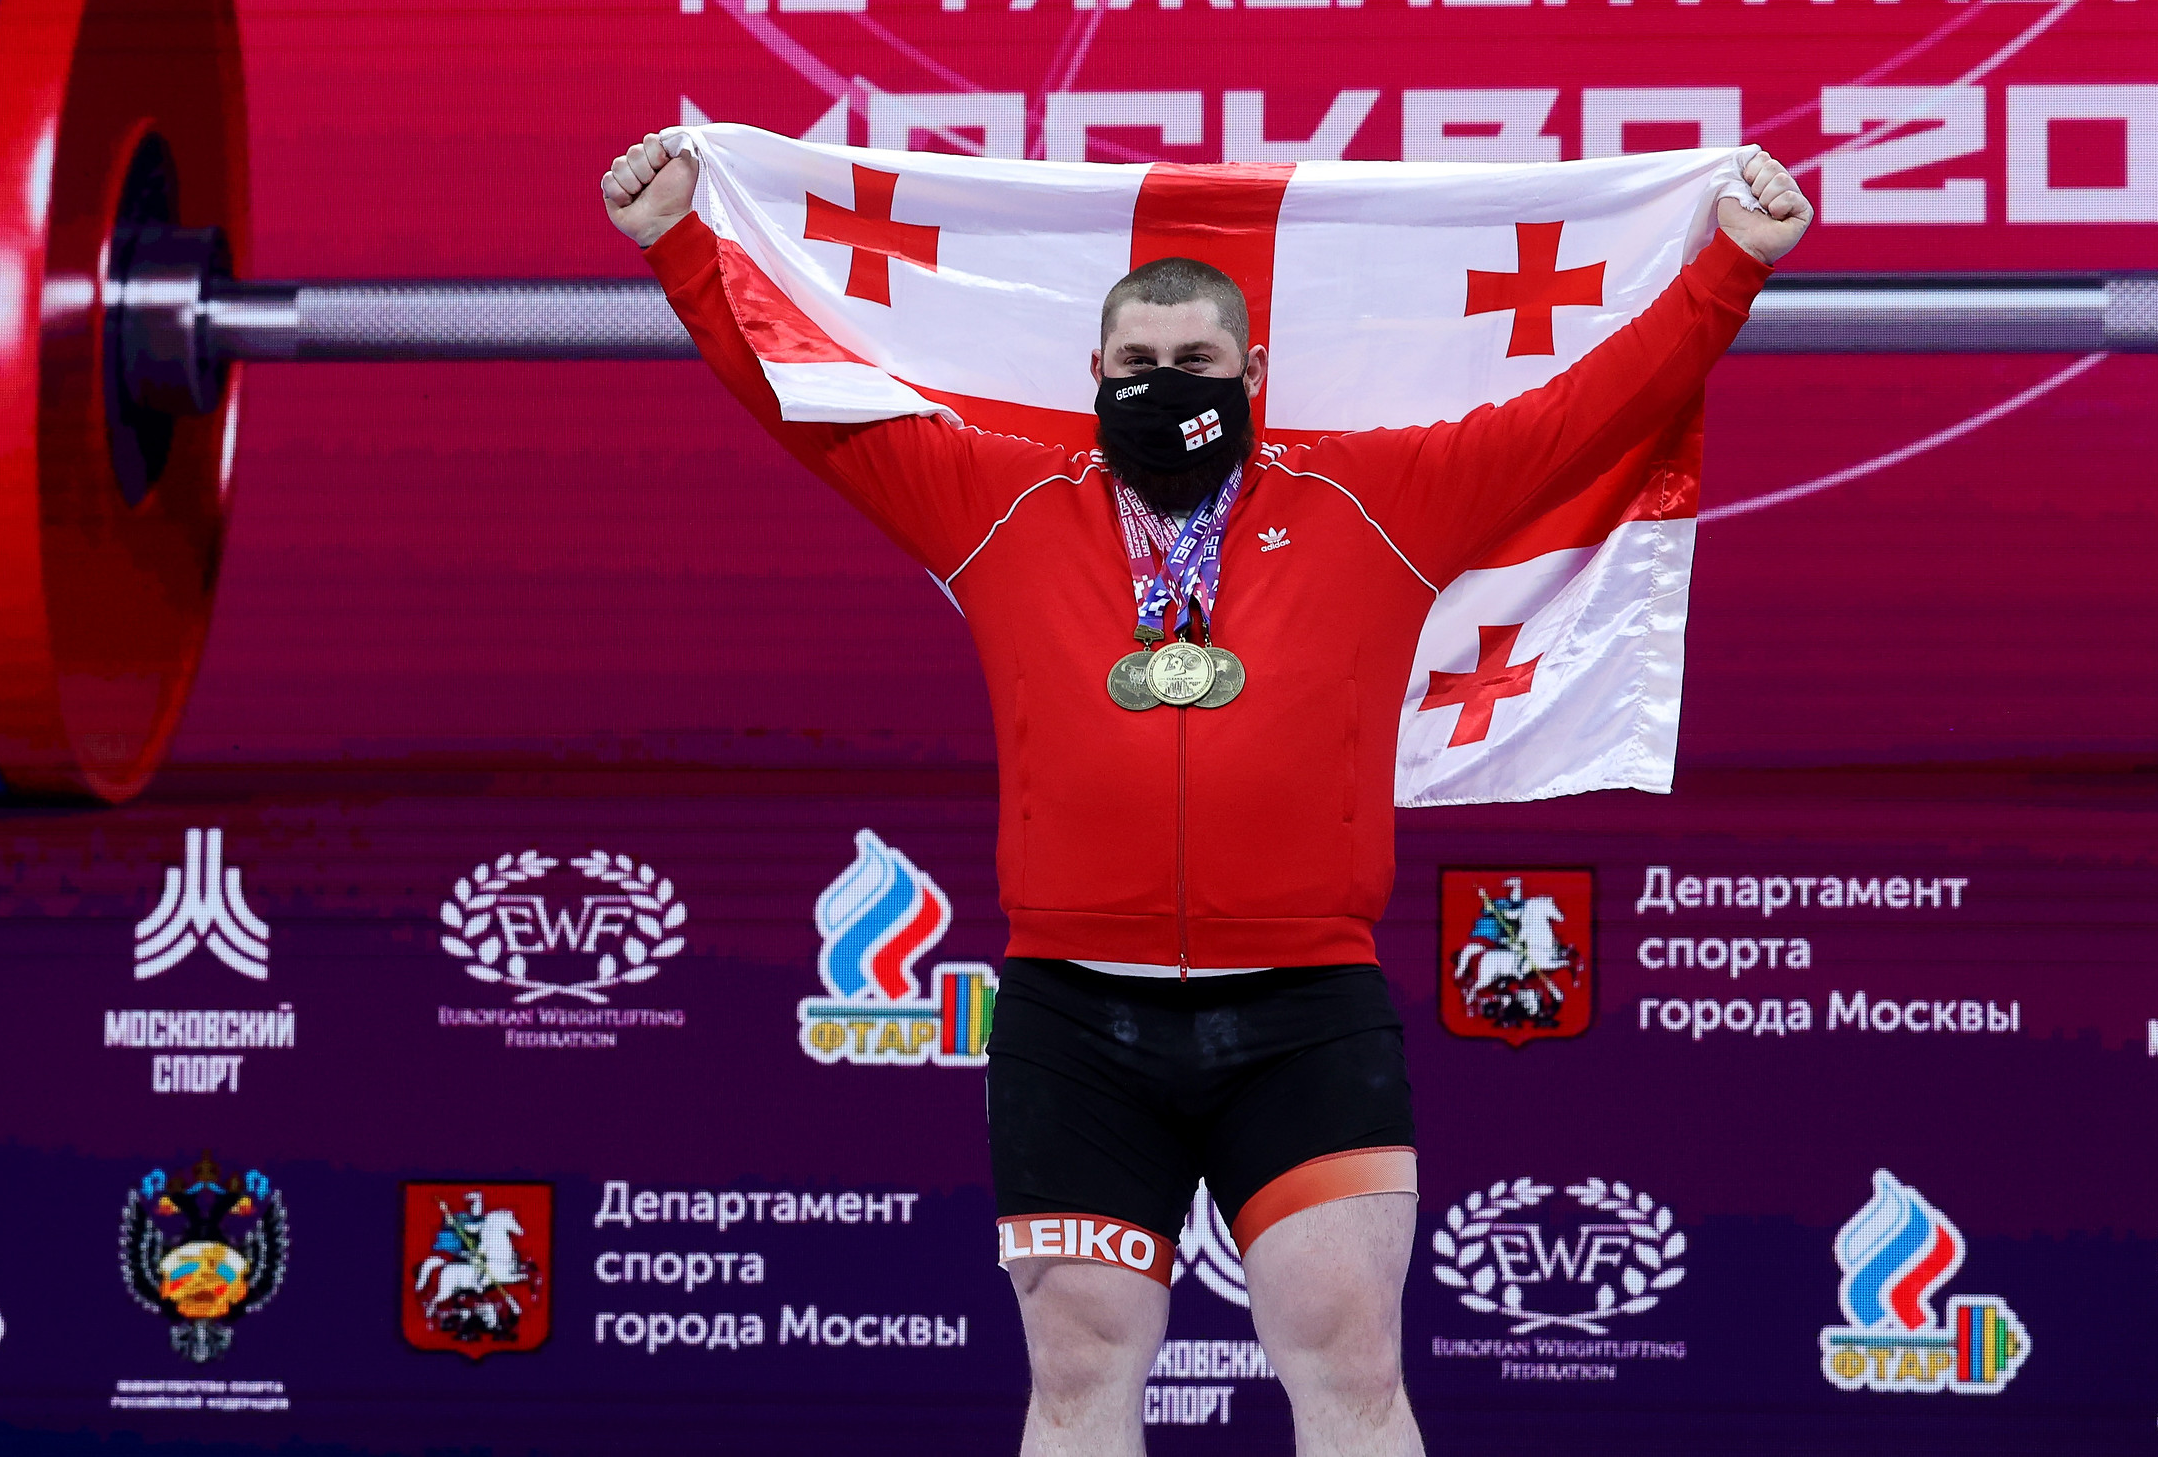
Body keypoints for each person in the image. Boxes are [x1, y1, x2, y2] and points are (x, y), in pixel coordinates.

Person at [601, 133, 1811, 1456]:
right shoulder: (991, 499)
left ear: (1254, 373)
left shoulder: (1379, 498)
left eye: (1195, 361)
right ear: (1095, 375)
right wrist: (680, 246)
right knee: (1077, 1372)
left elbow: (1585, 411)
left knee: (1350, 1364)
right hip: (1076, 1013)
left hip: (1304, 1011)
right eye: (1137, 362)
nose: (1164, 384)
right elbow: (807, 404)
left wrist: (1732, 267)